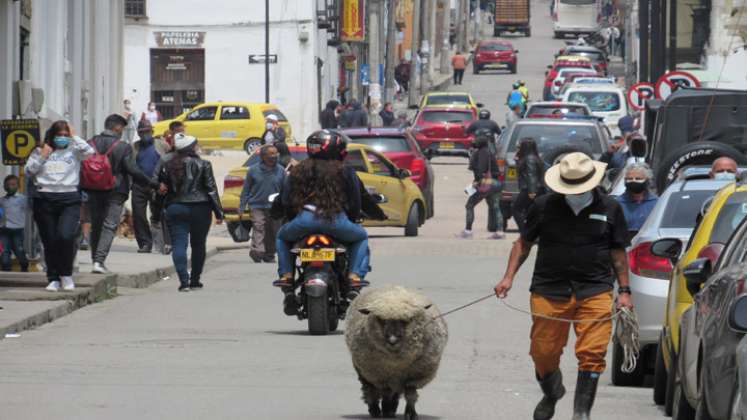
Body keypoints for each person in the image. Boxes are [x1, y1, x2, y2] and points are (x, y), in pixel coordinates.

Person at [494, 152, 633, 420]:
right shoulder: (544, 206)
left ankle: (581, 413)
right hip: (549, 289)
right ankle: (551, 393)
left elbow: (618, 252)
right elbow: (523, 243)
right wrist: (508, 277)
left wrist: (624, 291)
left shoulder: (610, 208)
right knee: (543, 353)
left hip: (595, 288)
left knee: (593, 353)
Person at [273, 130, 383, 314]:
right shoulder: (346, 171)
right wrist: (367, 216)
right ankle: (354, 277)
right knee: (361, 237)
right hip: (336, 221)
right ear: (337, 149)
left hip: (303, 222)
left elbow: (284, 200)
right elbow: (357, 199)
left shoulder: (297, 170)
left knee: (281, 237)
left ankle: (287, 276)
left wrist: (283, 216)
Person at [86, 114, 160, 274]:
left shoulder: (90, 143)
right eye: (123, 128)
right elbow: (132, 170)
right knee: (110, 225)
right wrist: (152, 182)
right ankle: (99, 261)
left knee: (96, 225)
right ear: (117, 127)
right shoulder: (123, 147)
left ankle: (95, 260)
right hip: (115, 191)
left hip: (93, 189)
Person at [25, 121, 94, 291]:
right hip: (44, 198)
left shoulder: (74, 150)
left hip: (69, 198)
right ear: (52, 135)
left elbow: (90, 152)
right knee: (50, 240)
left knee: (65, 236)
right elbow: (28, 171)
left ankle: (66, 274)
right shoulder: (40, 150)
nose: (62, 138)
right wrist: (43, 157)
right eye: (59, 135)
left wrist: (74, 135)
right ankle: (53, 277)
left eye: (65, 135)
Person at [158, 134, 223, 292]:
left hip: (176, 207)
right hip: (201, 208)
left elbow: (160, 187)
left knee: (179, 244)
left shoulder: (167, 164)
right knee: (198, 244)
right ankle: (195, 280)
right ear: (192, 147)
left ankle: (183, 281)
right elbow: (211, 189)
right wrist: (219, 212)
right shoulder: (204, 164)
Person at [239, 145, 285, 263]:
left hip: (275, 207)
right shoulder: (253, 170)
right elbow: (246, 190)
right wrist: (242, 207)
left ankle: (269, 255)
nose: (274, 156)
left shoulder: (281, 170)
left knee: (273, 231)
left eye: (276, 153)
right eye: (271, 153)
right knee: (258, 227)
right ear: (263, 156)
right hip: (257, 206)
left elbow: (286, 190)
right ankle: (257, 251)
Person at [459, 130, 504, 240]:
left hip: (486, 183)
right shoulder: (490, 152)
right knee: (496, 207)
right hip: (496, 183)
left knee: (469, 205)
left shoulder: (481, 153)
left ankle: (468, 231)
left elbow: (481, 169)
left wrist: (476, 182)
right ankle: (500, 232)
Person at [131, 120, 162, 254]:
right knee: (138, 215)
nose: (145, 135)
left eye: (147, 132)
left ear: (152, 131)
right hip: (139, 186)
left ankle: (163, 243)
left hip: (158, 186)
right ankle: (145, 243)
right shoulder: (134, 147)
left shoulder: (162, 145)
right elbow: (130, 166)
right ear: (138, 133)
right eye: (142, 132)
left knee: (159, 216)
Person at [615, 163, 658, 241]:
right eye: (630, 179)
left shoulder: (657, 203)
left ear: (647, 180)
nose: (633, 181)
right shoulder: (617, 204)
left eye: (638, 179)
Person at [513, 138, 545, 235]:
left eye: (520, 147)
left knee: (516, 209)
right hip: (535, 188)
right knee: (531, 212)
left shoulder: (529, 158)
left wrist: (532, 191)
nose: (518, 148)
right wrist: (517, 161)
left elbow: (532, 175)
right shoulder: (533, 157)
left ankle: (524, 233)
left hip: (529, 189)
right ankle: (531, 233)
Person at [0, 175, 29, 272]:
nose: (10, 187)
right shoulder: (1, 200)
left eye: (13, 184)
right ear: (4, 186)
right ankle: (6, 270)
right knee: (4, 252)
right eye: (8, 185)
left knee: (19, 251)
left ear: (18, 186)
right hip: (4, 231)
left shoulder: (23, 199)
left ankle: (24, 266)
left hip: (17, 230)